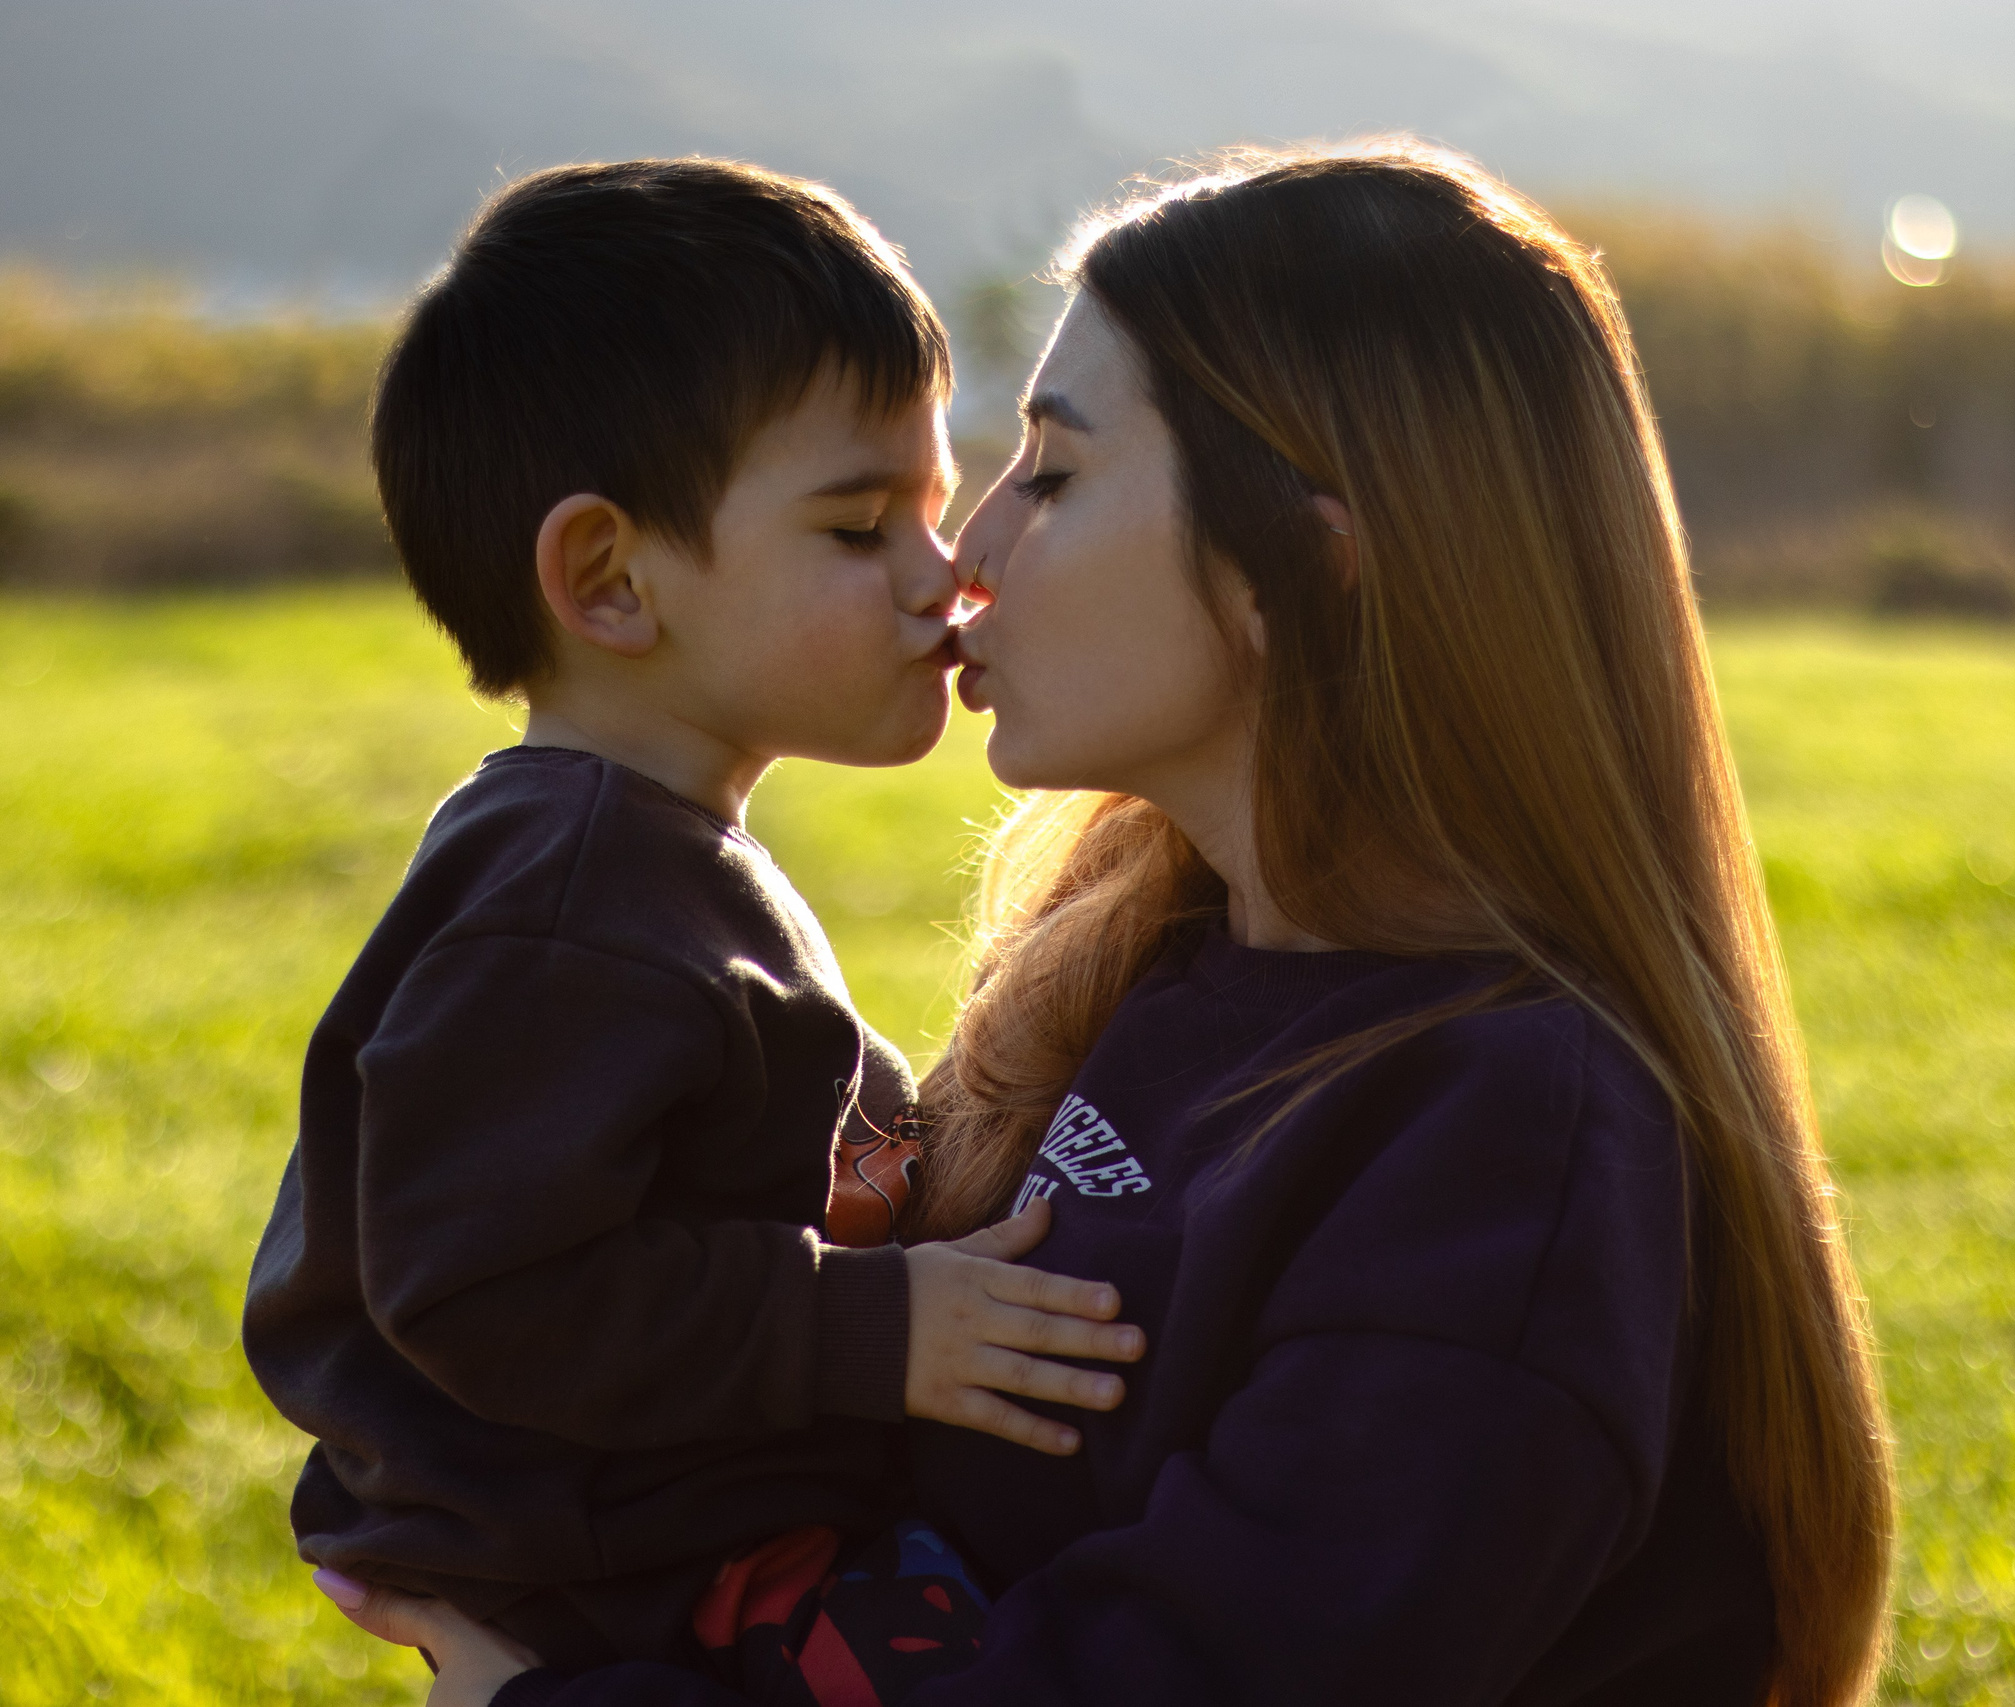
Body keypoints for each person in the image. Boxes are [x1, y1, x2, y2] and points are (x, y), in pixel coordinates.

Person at [321, 140, 1898, 1707]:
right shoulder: (1151, 968)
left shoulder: (1506, 1146)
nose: (969, 564)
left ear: (1310, 561)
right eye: (895, 515)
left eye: (1051, 476)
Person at [242, 157, 1145, 1699]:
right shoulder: (562, 908)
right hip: (617, 1566)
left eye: (936, 505)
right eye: (863, 529)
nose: (946, 581)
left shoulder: (634, 853)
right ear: (609, 578)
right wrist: (875, 1328)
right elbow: (490, 1286)